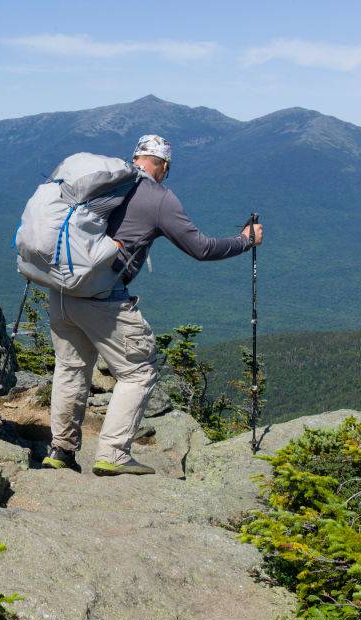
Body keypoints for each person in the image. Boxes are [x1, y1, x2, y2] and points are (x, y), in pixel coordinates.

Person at [41, 134, 263, 476]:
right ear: (162, 166)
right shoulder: (158, 197)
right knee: (139, 370)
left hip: (60, 288)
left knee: (71, 369)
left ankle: (61, 450)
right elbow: (200, 248)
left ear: (136, 158)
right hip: (100, 295)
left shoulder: (104, 184)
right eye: (167, 170)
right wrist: (244, 240)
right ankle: (113, 453)